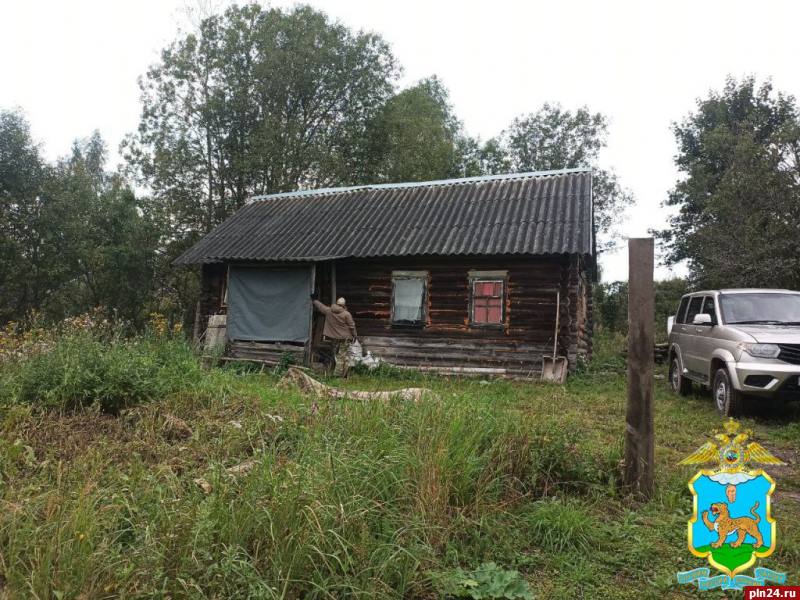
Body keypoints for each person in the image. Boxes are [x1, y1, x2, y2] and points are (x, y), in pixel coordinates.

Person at [311, 294, 358, 376]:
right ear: (344, 305)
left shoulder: (329, 311)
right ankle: (338, 375)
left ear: (336, 303)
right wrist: (354, 335)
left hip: (334, 338)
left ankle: (340, 373)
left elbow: (321, 307)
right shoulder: (346, 314)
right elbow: (352, 326)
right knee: (342, 356)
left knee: (336, 355)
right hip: (345, 338)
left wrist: (314, 300)